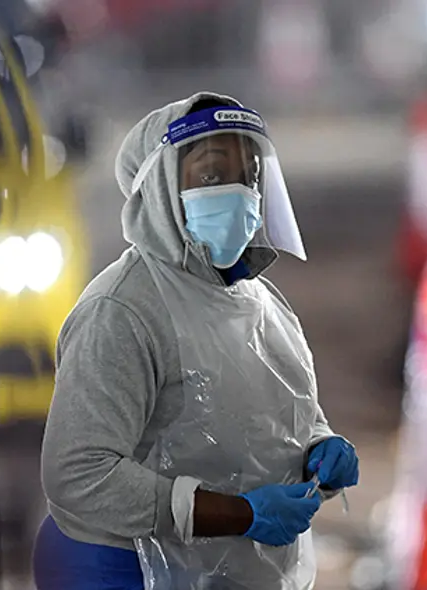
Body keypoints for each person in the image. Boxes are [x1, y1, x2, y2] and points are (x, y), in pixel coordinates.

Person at [33, 92, 360, 590]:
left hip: (228, 571)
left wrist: (318, 447)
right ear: (161, 186)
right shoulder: (122, 310)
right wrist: (240, 515)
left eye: (249, 177)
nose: (239, 193)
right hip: (127, 570)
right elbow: (81, 474)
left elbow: (276, 417)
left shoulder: (262, 306)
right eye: (210, 176)